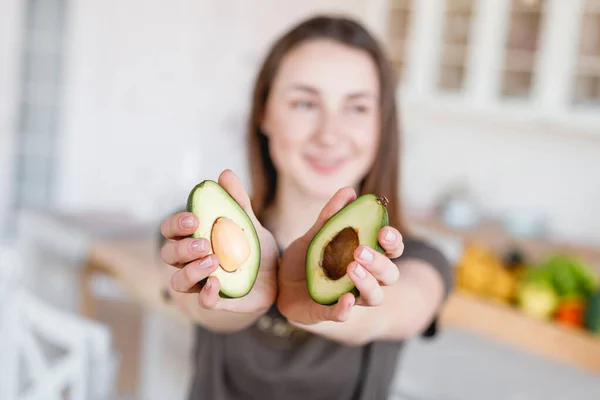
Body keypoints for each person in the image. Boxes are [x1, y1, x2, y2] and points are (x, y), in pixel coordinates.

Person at [158, 14, 454, 400]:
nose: (329, 133)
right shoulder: (196, 229)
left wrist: (319, 299)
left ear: (382, 126)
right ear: (264, 113)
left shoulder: (420, 261)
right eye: (304, 103)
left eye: (357, 107)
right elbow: (195, 304)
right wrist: (240, 292)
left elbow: (390, 312)